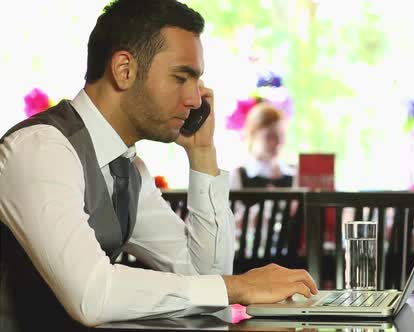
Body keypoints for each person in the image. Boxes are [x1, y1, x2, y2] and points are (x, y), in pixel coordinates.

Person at [0, 1, 317, 330]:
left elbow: (204, 277)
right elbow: (92, 295)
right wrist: (239, 286)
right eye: (181, 78)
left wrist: (203, 153)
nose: (196, 100)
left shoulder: (129, 170)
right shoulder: (41, 149)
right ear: (125, 70)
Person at [229, 102, 297, 189]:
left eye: (282, 135)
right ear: (253, 134)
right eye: (271, 136)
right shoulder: (238, 176)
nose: (279, 142)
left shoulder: (294, 175)